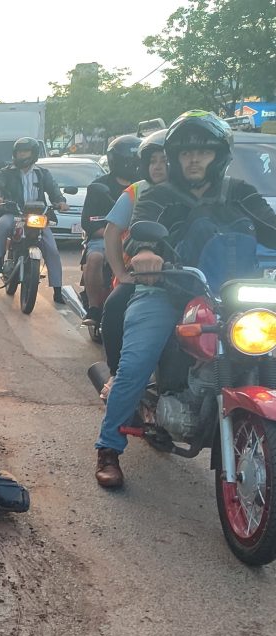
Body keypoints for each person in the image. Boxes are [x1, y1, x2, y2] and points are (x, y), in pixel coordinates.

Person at [94, 111, 276, 488]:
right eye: (187, 152)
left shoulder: (239, 192)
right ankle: (109, 448)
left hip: (231, 297)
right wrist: (144, 251)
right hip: (167, 291)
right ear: (175, 157)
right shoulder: (159, 195)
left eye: (204, 151)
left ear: (219, 156)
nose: (195, 159)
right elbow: (139, 230)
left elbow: (269, 225)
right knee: (135, 365)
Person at [98, 129, 168, 397]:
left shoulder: (198, 193)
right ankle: (116, 375)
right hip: (139, 277)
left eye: (164, 160)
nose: (158, 167)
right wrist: (120, 273)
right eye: (153, 161)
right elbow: (111, 233)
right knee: (114, 306)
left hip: (184, 277)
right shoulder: (136, 192)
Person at [0, 137, 69, 304]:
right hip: (13, 212)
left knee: (52, 249)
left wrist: (61, 202)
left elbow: (54, 190)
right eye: (19, 152)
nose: (21, 155)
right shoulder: (6, 172)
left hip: (37, 216)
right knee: (2, 226)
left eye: (25, 151)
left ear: (33, 154)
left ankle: (58, 290)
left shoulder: (42, 173)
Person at [79, 135, 143, 325]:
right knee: (95, 258)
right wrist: (115, 236)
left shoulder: (144, 186)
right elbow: (88, 224)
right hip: (104, 239)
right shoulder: (99, 187)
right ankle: (94, 309)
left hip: (140, 239)